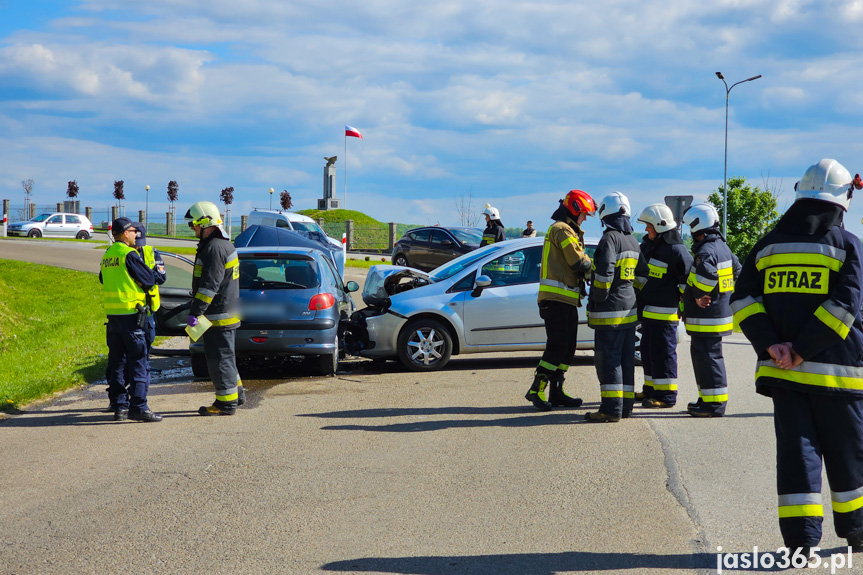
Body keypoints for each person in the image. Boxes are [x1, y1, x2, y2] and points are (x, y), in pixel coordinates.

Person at [731, 158, 863, 552]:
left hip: (784, 373)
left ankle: (801, 543)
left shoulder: (767, 244)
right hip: (839, 377)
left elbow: (742, 298)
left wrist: (772, 344)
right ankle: (857, 532)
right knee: (849, 456)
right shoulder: (848, 246)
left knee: (797, 456)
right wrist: (803, 348)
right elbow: (846, 305)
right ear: (842, 202)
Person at [525, 190, 594, 410]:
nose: (584, 219)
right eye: (583, 214)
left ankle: (557, 391)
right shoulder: (562, 230)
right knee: (557, 347)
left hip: (567, 300)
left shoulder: (567, 229)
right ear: (573, 210)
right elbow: (577, 261)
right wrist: (597, 268)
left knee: (568, 348)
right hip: (556, 300)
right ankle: (537, 389)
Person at [585, 192, 647, 422]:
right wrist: (630, 292)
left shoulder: (610, 238)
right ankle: (625, 407)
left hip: (609, 312)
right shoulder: (632, 240)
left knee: (608, 360)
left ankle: (610, 409)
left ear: (605, 214)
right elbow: (643, 274)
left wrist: (599, 298)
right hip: (629, 312)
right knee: (626, 359)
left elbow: (604, 274)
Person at [185, 201, 245, 416]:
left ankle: (225, 403)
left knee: (219, 360)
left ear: (204, 222)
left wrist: (196, 312)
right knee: (226, 357)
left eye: (193, 224)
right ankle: (236, 395)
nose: (192, 228)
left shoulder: (214, 248)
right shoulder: (224, 245)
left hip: (218, 316)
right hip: (226, 313)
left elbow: (209, 286)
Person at [99, 217, 162, 422]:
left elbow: (102, 279)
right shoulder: (129, 254)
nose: (136, 234)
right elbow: (150, 279)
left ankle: (119, 407)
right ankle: (139, 408)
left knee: (117, 363)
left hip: (114, 318)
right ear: (125, 233)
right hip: (133, 317)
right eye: (134, 231)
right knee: (138, 362)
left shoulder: (108, 254)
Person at [680, 203, 740, 418]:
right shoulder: (722, 247)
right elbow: (738, 270)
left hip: (708, 317)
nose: (690, 233)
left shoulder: (706, 250)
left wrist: (697, 295)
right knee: (707, 358)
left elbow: (707, 277)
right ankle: (707, 398)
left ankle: (713, 405)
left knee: (708, 359)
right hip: (717, 314)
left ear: (698, 227)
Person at [635, 203, 692, 409]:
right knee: (648, 353)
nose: (646, 230)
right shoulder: (648, 246)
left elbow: (687, 283)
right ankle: (650, 389)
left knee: (664, 356)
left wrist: (686, 308)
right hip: (647, 314)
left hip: (665, 316)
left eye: (648, 226)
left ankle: (667, 396)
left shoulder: (676, 250)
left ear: (660, 226)